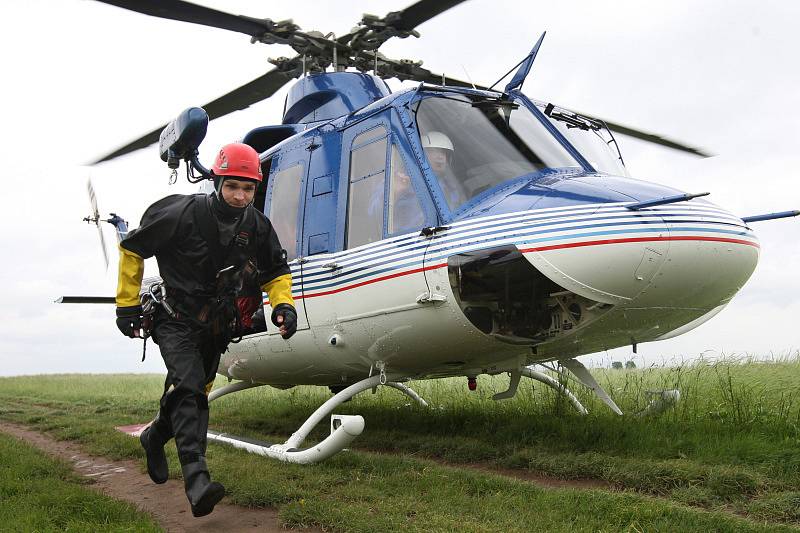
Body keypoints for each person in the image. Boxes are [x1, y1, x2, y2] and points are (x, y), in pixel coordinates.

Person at [114, 142, 297, 518]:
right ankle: (197, 480)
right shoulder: (180, 212)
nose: (240, 195)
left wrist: (283, 306)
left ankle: (155, 436)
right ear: (217, 181)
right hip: (174, 319)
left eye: (248, 189)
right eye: (233, 186)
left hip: (216, 326)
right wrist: (126, 305)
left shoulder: (257, 225)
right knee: (189, 388)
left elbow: (275, 271)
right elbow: (133, 247)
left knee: (193, 391)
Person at [420, 131, 466, 209]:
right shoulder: (411, 184)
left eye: (444, 153)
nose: (440, 157)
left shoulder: (451, 186)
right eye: (434, 151)